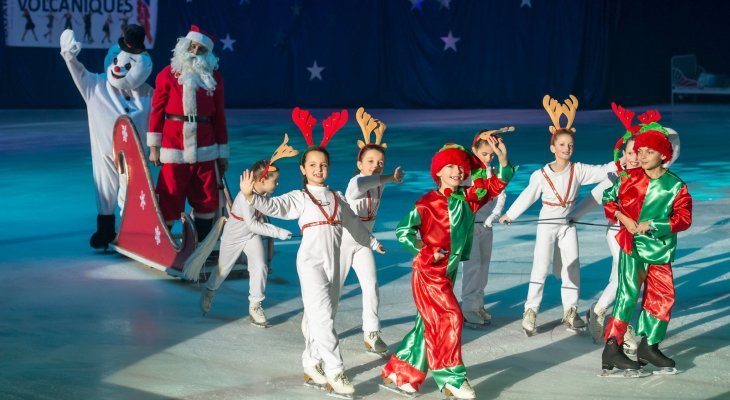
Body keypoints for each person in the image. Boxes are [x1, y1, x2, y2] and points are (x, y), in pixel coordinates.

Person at [241, 108, 384, 399]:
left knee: (323, 315)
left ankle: (310, 363)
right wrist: (250, 195)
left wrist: (371, 243)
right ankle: (335, 371)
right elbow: (273, 207)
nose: (319, 169)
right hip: (310, 263)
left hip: (334, 261)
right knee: (323, 318)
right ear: (303, 169)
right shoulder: (299, 198)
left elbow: (355, 226)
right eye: (313, 165)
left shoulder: (337, 198)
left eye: (323, 165)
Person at [381, 138, 514, 400]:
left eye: (461, 168)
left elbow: (495, 185)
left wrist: (503, 160)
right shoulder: (427, 202)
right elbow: (403, 231)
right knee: (451, 317)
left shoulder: (467, 199)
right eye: (450, 167)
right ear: (438, 172)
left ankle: (401, 371)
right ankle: (451, 378)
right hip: (429, 272)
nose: (457, 172)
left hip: (448, 271)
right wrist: (429, 251)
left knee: (429, 324)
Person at [499, 95, 617, 336]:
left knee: (572, 267)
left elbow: (604, 171)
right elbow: (527, 195)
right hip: (546, 225)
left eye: (570, 145)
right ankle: (531, 310)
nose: (567, 148)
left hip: (567, 225)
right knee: (540, 267)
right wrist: (510, 214)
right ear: (553, 147)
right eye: (562, 144)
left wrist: (622, 162)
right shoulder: (541, 174)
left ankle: (570, 311)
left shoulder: (579, 170)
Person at [571, 103, 681, 353]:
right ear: (623, 153)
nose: (633, 157)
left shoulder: (648, 173)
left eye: (637, 152)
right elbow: (597, 197)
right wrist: (573, 216)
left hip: (641, 235)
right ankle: (601, 313)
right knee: (625, 278)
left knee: (625, 279)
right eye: (630, 153)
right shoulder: (620, 176)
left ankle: (608, 317)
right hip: (618, 233)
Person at [600, 111, 691, 376]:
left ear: (664, 155)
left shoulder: (676, 187)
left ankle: (649, 345)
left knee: (663, 297)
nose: (639, 156)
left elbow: (683, 218)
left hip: (660, 250)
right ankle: (613, 346)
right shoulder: (630, 178)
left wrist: (654, 224)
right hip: (632, 246)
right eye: (639, 151)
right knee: (627, 295)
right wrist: (623, 218)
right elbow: (609, 198)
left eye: (647, 152)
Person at [60, 24, 153, 249]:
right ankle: (105, 230)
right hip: (105, 152)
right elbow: (78, 71)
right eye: (116, 62)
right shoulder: (96, 85)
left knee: (132, 190)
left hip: (134, 156)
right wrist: (68, 54)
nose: (119, 67)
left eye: (128, 65)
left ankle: (134, 231)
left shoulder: (149, 93)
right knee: (104, 188)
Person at [200, 136, 298, 325]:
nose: (277, 184)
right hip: (235, 236)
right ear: (262, 180)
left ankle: (255, 306)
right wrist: (278, 232)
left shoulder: (263, 194)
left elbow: (267, 213)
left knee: (260, 266)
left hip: (251, 236)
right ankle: (210, 291)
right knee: (223, 270)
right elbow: (253, 224)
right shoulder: (246, 197)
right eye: (274, 180)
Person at [147, 25, 228, 242]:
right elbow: (156, 111)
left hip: (205, 146)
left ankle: (201, 243)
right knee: (169, 193)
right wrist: (154, 147)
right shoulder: (167, 75)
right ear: (184, 45)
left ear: (207, 53)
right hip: (175, 146)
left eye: (200, 49)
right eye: (191, 45)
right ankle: (162, 241)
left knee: (206, 196)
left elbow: (219, 117)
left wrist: (222, 153)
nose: (194, 51)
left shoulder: (214, 78)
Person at [338, 108, 404, 355]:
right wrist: (387, 176)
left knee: (371, 285)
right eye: (370, 162)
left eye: (380, 163)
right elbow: (366, 183)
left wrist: (385, 177)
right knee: (334, 290)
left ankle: (371, 333)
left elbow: (376, 181)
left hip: (363, 243)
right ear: (359, 164)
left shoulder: (380, 183)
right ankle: (315, 325)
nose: (376, 166)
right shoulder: (356, 182)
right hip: (342, 243)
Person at [460, 127, 510, 328]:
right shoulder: (465, 172)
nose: (488, 158)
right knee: (472, 266)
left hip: (486, 226)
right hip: (468, 226)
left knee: (483, 266)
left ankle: (478, 303)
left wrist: (494, 215)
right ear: (474, 149)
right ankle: (468, 308)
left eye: (491, 155)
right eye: (484, 154)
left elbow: (501, 195)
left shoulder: (493, 172)